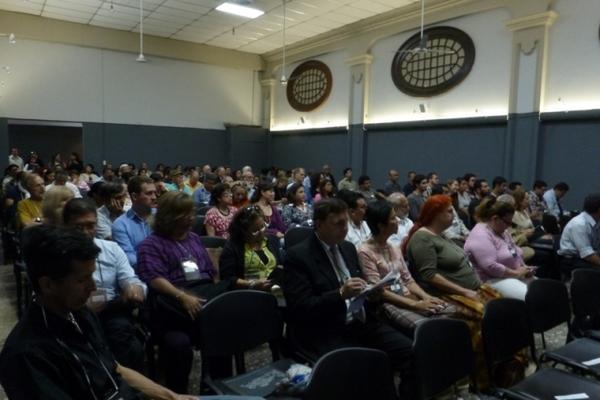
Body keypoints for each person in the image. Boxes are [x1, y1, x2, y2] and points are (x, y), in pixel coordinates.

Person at [0, 224, 196, 399]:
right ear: (48, 284)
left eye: (92, 276)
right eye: (82, 280)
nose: (93, 287)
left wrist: (172, 396)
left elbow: (114, 368)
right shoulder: (26, 355)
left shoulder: (80, 313)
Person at [282, 198, 417, 398]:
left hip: (360, 320)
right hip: (325, 329)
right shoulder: (298, 256)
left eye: (346, 222)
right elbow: (301, 307)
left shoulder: (347, 248)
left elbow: (360, 286)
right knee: (365, 367)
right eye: (338, 224)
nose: (345, 228)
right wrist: (339, 294)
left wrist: (373, 293)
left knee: (410, 352)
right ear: (319, 225)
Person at [137, 192, 235, 389]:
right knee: (178, 345)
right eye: (185, 214)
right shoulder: (151, 244)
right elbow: (155, 278)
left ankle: (214, 389)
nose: (192, 217)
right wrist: (182, 297)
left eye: (191, 212)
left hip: (202, 296)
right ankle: (177, 392)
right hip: (172, 304)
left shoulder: (193, 238)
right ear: (169, 216)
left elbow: (208, 272)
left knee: (221, 331)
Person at [63, 199, 147, 371]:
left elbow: (129, 278)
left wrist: (135, 288)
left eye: (91, 226)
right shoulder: (59, 254)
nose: (86, 233)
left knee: (127, 342)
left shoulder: (111, 248)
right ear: (65, 226)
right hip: (74, 314)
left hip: (111, 310)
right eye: (79, 227)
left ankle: (128, 390)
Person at [358, 201, 448, 336]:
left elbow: (408, 280)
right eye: (393, 218)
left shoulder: (393, 247)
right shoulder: (364, 251)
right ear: (381, 226)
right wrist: (415, 305)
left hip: (408, 296)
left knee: (450, 316)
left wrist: (426, 297)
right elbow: (378, 291)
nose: (398, 220)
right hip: (388, 304)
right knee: (428, 330)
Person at [464, 198, 534, 300]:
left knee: (545, 290)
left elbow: (515, 252)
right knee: (534, 298)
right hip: (492, 281)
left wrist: (525, 268)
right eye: (507, 222)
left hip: (512, 275)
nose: (509, 226)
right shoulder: (480, 234)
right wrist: (517, 273)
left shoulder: (502, 232)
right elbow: (490, 266)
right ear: (495, 218)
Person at [220, 205, 283, 290]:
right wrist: (252, 284)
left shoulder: (271, 240)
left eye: (262, 226)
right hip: (248, 292)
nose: (261, 232)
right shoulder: (233, 246)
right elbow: (228, 278)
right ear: (243, 231)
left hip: (275, 288)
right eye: (255, 231)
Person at [112, 176, 157, 269]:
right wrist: (156, 266)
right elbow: (130, 259)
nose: (154, 197)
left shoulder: (161, 216)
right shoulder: (120, 224)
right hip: (141, 273)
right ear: (134, 196)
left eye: (154, 193)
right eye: (149, 193)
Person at [558, 193, 600, 268]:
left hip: (586, 256)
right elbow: (587, 255)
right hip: (572, 261)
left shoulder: (596, 221)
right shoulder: (580, 224)